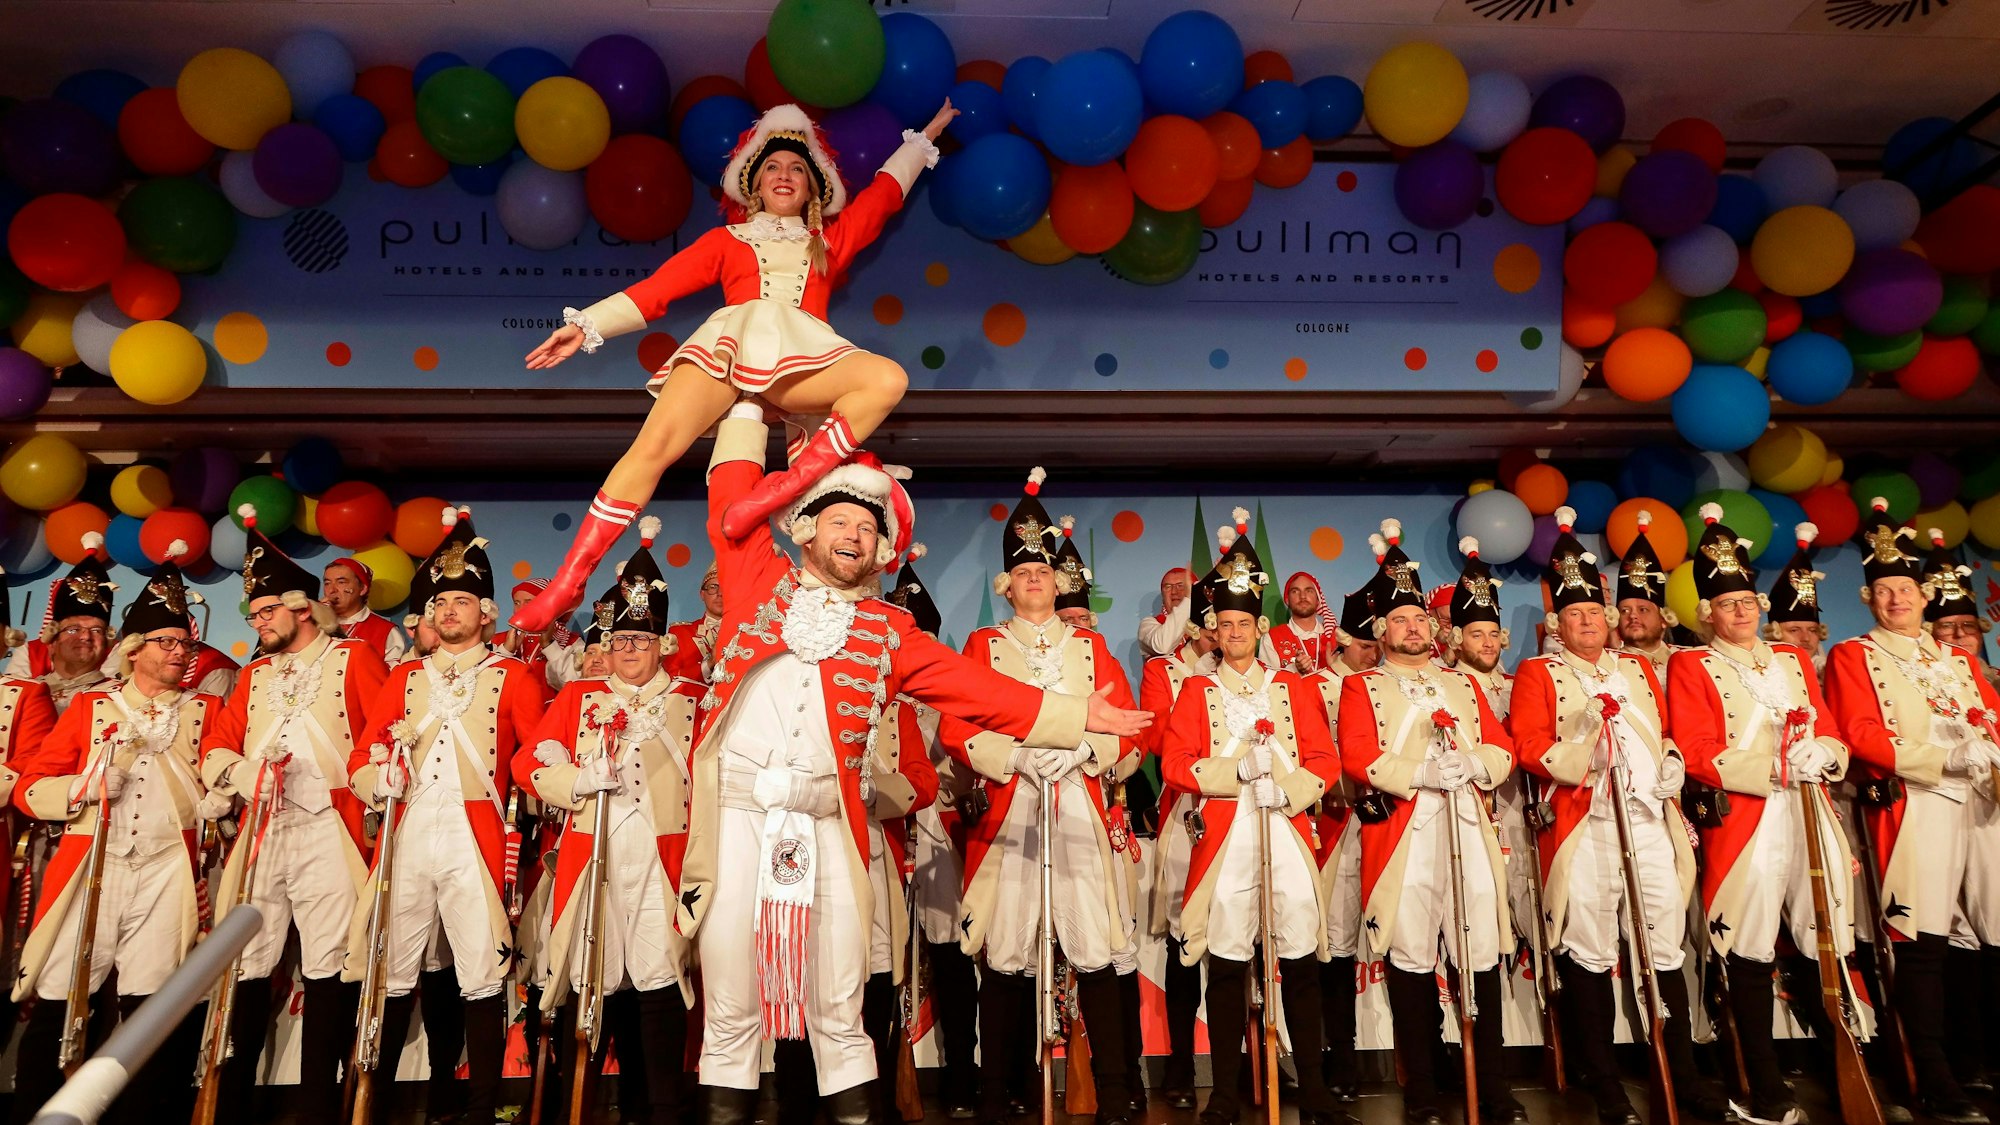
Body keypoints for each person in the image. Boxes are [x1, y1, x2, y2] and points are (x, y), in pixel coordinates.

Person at [678, 408, 1150, 1125]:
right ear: (804, 526)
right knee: (732, 1007)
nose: (854, 536)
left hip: (831, 823)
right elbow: (732, 497)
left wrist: (1076, 715)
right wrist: (745, 407)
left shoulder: (889, 631)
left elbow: (980, 692)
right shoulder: (753, 584)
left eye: (868, 529)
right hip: (739, 823)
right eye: (840, 521)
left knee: (842, 1005)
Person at [509, 101, 960, 633]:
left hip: (801, 362)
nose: (785, 176)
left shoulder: (828, 242)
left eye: (797, 168)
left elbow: (884, 195)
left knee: (888, 379)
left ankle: (782, 488)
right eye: (772, 167)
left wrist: (924, 137)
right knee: (650, 449)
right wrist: (586, 326)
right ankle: (568, 581)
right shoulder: (725, 241)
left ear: (814, 188)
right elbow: (658, 292)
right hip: (726, 350)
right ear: (754, 184)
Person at [942, 473, 1144, 1125]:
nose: (1034, 576)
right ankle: (999, 1094)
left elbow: (1131, 730)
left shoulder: (1091, 648)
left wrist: (1088, 751)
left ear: (1061, 581)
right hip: (1014, 814)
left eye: (1043, 567)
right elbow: (955, 728)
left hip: (1080, 811)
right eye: (1023, 568)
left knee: (1095, 952)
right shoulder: (983, 646)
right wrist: (1014, 757)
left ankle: (1114, 1094)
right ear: (1007, 581)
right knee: (1005, 957)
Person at [1511, 513, 1715, 1125]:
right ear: (1558, 623)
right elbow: (1526, 745)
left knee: (1663, 946)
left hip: (1649, 820)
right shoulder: (1539, 672)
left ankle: (1681, 1074)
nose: (1589, 622)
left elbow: (1670, 733)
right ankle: (1603, 1083)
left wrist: (1673, 762)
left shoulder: (1640, 670)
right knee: (1590, 952)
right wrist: (1580, 757)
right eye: (1576, 615)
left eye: (1595, 613)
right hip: (1588, 824)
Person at [8, 551, 222, 1125]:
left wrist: (224, 792)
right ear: (134, 650)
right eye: (165, 643)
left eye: (184, 644)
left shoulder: (207, 708)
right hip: (90, 867)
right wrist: (80, 788)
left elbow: (227, 770)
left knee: (150, 1010)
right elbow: (30, 788)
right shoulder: (88, 707)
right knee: (60, 999)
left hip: (165, 872)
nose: (178, 653)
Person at [348, 511, 546, 1125]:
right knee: (393, 969)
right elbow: (363, 753)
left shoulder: (514, 676)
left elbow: (533, 757)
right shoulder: (406, 676)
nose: (451, 611)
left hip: (473, 834)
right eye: (442, 601)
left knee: (481, 972)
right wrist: (374, 777)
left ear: (486, 612)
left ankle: (482, 1108)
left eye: (463, 600)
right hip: (409, 832)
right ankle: (378, 1103)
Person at [1667, 505, 1860, 1123]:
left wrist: (1824, 752)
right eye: (1729, 604)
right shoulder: (1691, 664)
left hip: (1810, 808)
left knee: (1822, 943)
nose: (1743, 610)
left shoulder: (1796, 662)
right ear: (1709, 615)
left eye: (1748, 599)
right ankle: (1762, 1084)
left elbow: (1833, 732)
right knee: (1747, 955)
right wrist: (1774, 766)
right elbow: (1697, 750)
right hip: (1750, 819)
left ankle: (1843, 1071)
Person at [197, 510, 390, 1125]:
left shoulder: (354, 658)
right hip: (263, 830)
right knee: (250, 961)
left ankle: (315, 1107)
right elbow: (217, 747)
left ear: (303, 608)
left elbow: (379, 735)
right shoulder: (252, 674)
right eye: (251, 616)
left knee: (330, 963)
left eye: (265, 614)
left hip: (330, 827)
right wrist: (243, 775)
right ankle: (233, 1105)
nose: (256, 625)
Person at [1335, 520, 1523, 1125]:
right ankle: (1420, 1090)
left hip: (1468, 827)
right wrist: (1421, 773)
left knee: (1483, 956)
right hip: (1405, 839)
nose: (1411, 628)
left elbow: (1502, 750)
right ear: (1381, 631)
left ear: (1432, 626)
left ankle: (1492, 1088)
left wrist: (1471, 764)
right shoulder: (1362, 687)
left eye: (1418, 618)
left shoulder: (1463, 684)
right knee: (1412, 961)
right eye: (1399, 621)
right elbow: (1359, 754)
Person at [1161, 514, 1345, 1125]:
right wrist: (1234, 773)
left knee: (1298, 959)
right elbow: (1176, 764)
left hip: (1286, 832)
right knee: (1231, 963)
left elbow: (1325, 760)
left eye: (1244, 623)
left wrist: (1288, 791)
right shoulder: (1194, 691)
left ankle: (1314, 1091)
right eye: (1225, 624)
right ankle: (1225, 1095)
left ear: (1260, 626)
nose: (1234, 633)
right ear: (1212, 631)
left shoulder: (1294, 687)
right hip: (1224, 836)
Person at [515, 530, 705, 1125]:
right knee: (593, 979)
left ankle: (662, 1108)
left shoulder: (694, 699)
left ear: (661, 645)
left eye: (639, 640)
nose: (627, 650)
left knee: (658, 981)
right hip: (590, 857)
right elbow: (528, 763)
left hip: (662, 862)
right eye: (619, 639)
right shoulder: (577, 696)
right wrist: (573, 778)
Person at [1827, 498, 2000, 1125]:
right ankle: (1932, 1078)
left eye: (1905, 589)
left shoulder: (1955, 662)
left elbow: (1993, 720)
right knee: (1922, 943)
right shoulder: (1855, 655)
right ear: (1870, 600)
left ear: (1924, 594)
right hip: (1921, 800)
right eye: (1884, 592)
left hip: (1982, 803)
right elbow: (1861, 732)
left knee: (1985, 936)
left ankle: (1975, 1060)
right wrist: (1940, 760)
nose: (1896, 600)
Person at [884, 548, 981, 1118]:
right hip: (888, 835)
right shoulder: (869, 692)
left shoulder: (951, 693)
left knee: (950, 957)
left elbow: (969, 762)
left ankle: (963, 1077)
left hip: (939, 835)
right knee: (884, 957)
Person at [1140, 576, 1218, 1110]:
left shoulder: (1253, 679)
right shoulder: (1159, 671)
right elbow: (1159, 739)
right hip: (1185, 813)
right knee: (1184, 944)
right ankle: (1181, 1071)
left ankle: (1252, 1067)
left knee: (1246, 948)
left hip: (1244, 817)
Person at [1305, 578, 1382, 1104]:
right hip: (1333, 823)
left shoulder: (1386, 683)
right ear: (1341, 644)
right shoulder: (1311, 686)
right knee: (1332, 945)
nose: (1371, 652)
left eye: (1375, 644)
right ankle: (1340, 1052)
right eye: (1363, 644)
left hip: (1384, 819)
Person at [17, 537, 118, 713]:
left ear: (106, 641)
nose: (85, 636)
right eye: (73, 629)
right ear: (53, 641)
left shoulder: (119, 697)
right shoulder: (22, 694)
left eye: (96, 630)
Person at [1614, 511, 1683, 678]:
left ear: (1663, 619)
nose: (1633, 616)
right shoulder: (1610, 666)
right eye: (1625, 610)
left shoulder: (1685, 660)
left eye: (1643, 609)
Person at [1762, 523, 1829, 673]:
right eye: (1794, 630)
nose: (1805, 638)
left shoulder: (1828, 675)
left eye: (1812, 630)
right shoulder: (1761, 676)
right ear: (1774, 634)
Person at [326, 557, 410, 667]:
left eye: (341, 582)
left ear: (363, 589)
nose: (331, 590)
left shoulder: (386, 631)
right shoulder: (314, 624)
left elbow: (393, 678)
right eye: (327, 583)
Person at [1260, 571, 1334, 673]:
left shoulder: (1337, 636)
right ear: (1287, 600)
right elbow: (1268, 683)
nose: (1303, 596)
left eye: (1309, 591)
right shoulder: (1272, 638)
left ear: (1318, 600)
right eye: (1295, 591)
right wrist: (1295, 669)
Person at [666, 563, 724, 683]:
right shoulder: (680, 633)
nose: (720, 593)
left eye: (726, 587)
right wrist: (709, 663)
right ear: (702, 594)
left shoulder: (747, 633)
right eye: (713, 587)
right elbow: (669, 679)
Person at [1139, 567, 1195, 658]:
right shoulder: (1148, 625)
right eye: (1168, 587)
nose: (1174, 591)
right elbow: (1163, 646)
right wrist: (1188, 600)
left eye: (1181, 585)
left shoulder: (1210, 624)